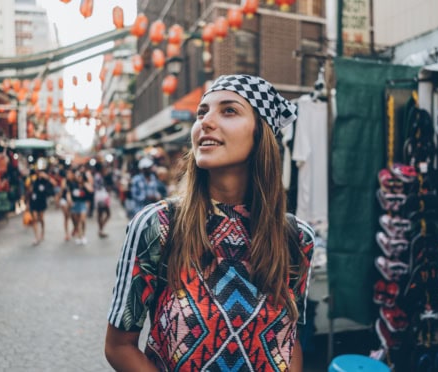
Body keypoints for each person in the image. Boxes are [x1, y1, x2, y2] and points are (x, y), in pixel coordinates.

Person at [105, 74, 315, 371]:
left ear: (261, 134)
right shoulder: (158, 225)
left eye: (229, 110)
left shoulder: (297, 238)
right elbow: (119, 346)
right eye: (202, 112)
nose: (206, 121)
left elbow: (289, 341)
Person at [28, 169, 56, 246]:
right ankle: (36, 237)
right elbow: (30, 191)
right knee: (35, 219)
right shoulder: (33, 180)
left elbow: (54, 183)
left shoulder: (45, 181)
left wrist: (47, 177)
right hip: (34, 202)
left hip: (42, 202)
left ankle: (42, 232)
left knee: (41, 219)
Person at [66, 170, 93, 245]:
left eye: (80, 176)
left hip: (83, 203)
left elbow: (91, 190)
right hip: (75, 203)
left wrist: (85, 184)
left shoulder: (85, 184)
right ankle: (79, 236)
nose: (79, 178)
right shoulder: (73, 184)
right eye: (78, 176)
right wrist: (69, 200)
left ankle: (83, 235)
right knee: (77, 221)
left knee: (82, 219)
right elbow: (68, 193)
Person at [93, 163, 111, 238]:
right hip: (101, 196)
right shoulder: (98, 176)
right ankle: (100, 230)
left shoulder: (99, 176)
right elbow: (99, 187)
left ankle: (101, 229)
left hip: (101, 196)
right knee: (103, 214)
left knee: (103, 214)